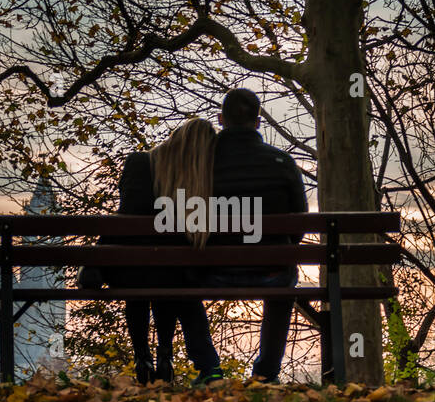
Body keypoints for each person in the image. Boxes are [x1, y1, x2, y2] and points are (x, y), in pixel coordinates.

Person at [80, 120, 223, 383]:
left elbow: (126, 215)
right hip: (174, 275)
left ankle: (142, 357)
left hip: (129, 272)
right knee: (167, 275)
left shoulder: (138, 163)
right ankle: (165, 354)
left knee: (144, 274)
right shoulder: (199, 179)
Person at [205, 87, 307, 382]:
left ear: (220, 119)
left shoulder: (199, 162)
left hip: (211, 272)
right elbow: (298, 228)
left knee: (179, 276)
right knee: (284, 272)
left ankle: (209, 368)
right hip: (271, 272)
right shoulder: (282, 163)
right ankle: (266, 373)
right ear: (258, 122)